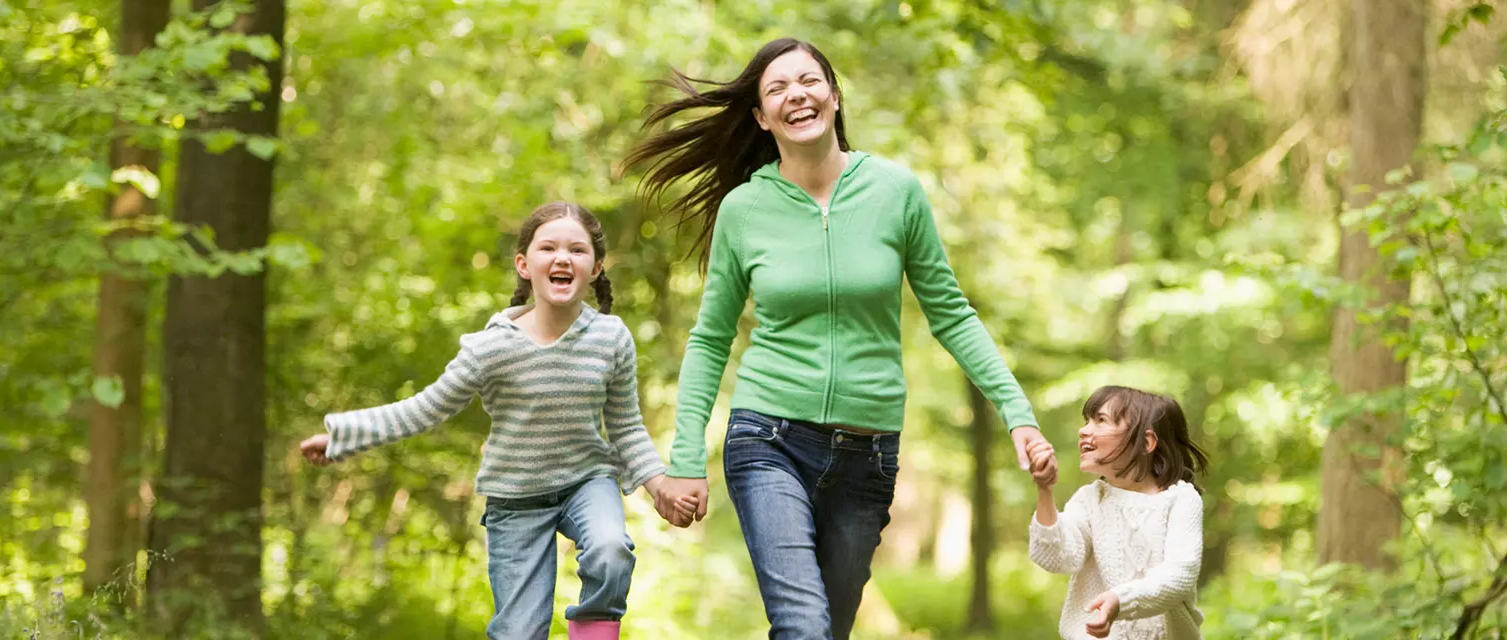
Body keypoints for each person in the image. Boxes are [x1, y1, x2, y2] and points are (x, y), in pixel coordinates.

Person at [623, 37, 1057, 639]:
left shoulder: (896, 191)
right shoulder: (745, 210)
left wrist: (1019, 414)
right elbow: (710, 338)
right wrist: (687, 459)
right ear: (760, 116)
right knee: (802, 626)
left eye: (809, 81)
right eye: (777, 89)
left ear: (833, 94)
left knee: (830, 629)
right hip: (768, 437)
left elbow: (952, 314)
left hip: (868, 452)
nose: (795, 95)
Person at [297, 202, 696, 640]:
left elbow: (625, 427)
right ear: (524, 265)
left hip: (588, 480)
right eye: (548, 248)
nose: (562, 258)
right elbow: (424, 409)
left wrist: (659, 487)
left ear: (596, 267)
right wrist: (341, 438)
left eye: (577, 250)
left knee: (610, 548)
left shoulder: (610, 337)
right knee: (519, 631)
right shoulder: (491, 348)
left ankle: (593, 634)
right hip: (516, 496)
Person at [1025, 385, 1208, 639]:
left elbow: (1179, 575)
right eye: (1087, 420)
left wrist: (1120, 601)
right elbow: (1058, 556)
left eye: (1101, 420)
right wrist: (1044, 490)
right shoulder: (1090, 500)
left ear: (1146, 442)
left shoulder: (1180, 499)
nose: (1084, 430)